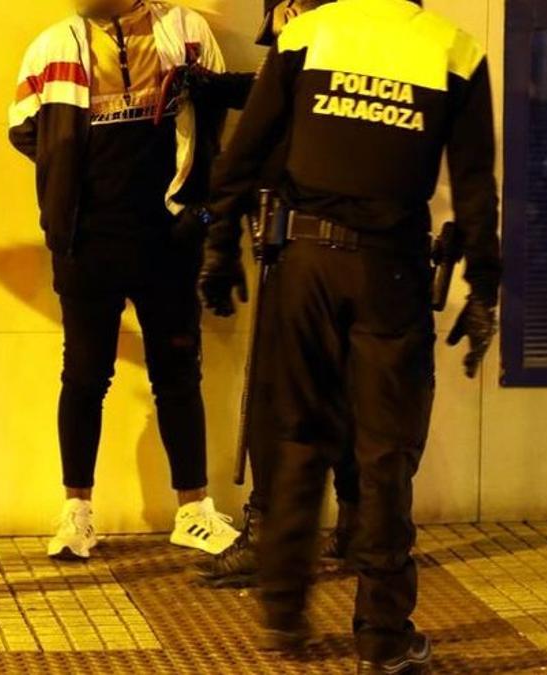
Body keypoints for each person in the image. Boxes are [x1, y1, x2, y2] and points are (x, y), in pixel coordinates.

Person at [189, 0, 501, 671]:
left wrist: (218, 246)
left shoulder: (308, 34)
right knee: (385, 451)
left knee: (296, 432)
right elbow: (476, 186)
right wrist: (484, 289)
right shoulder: (454, 51)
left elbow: (247, 151)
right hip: (390, 271)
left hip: (303, 266)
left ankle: (283, 610)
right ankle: (383, 636)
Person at [8, 0, 242, 560]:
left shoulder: (186, 32)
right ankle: (77, 513)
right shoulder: (54, 43)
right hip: (86, 241)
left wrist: (199, 210)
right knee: (85, 377)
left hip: (169, 236)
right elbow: (22, 129)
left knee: (178, 375)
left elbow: (217, 120)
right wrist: (67, 191)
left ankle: (194, 511)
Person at [194, 0, 364, 591]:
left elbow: (261, 139)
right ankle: (358, 529)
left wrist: (221, 237)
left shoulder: (307, 52)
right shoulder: (357, 55)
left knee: (281, 400)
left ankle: (274, 534)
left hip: (298, 249)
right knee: (345, 394)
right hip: (350, 253)